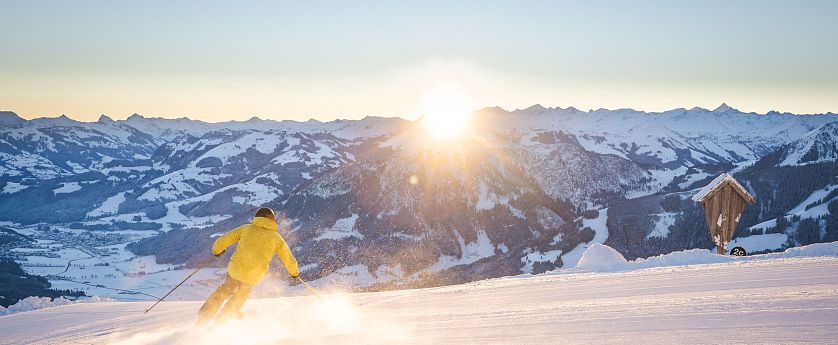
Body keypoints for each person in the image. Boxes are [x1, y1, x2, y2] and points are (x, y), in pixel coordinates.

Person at [197, 207, 299, 325]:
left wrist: (217, 251)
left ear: (257, 217)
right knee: (241, 295)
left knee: (225, 290)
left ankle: (204, 316)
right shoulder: (276, 238)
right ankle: (223, 318)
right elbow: (288, 258)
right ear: (270, 218)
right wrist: (294, 273)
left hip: (236, 270)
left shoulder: (245, 229)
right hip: (253, 276)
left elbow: (223, 240)